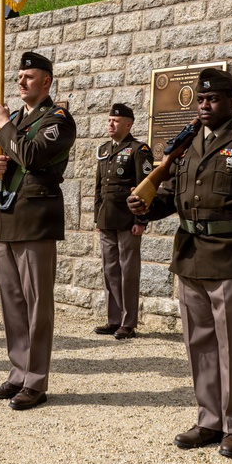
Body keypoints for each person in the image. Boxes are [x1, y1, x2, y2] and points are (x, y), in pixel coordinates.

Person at [127, 68, 232, 459]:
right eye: (200, 99)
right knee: (199, 345)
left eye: (213, 98)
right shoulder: (186, 145)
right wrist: (145, 206)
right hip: (191, 256)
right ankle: (209, 420)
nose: (205, 105)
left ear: (231, 101)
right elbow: (172, 195)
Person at [0, 52, 76, 411]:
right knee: (12, 304)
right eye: (19, 76)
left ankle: (35, 381)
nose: (21, 82)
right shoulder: (16, 120)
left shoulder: (58, 120)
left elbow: (33, 156)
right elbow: (3, 162)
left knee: (37, 305)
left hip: (36, 219)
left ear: (46, 82)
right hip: (7, 218)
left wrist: (4, 123)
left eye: (29, 76)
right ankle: (18, 372)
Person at [93, 105, 152, 339]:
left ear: (128, 124)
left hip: (128, 220)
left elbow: (145, 187)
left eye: (115, 121)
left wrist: (141, 220)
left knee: (128, 272)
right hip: (107, 218)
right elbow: (99, 188)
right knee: (110, 270)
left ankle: (128, 323)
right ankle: (113, 319)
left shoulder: (139, 149)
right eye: (109, 120)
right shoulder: (104, 149)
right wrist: (97, 217)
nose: (110, 124)